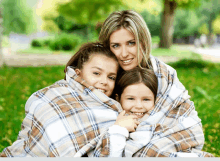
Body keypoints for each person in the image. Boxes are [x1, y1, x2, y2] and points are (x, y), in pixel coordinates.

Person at [99, 10, 214, 157]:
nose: (124, 53)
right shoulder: (99, 78)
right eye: (116, 45)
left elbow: (185, 119)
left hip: (162, 142)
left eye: (131, 43)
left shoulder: (164, 75)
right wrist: (117, 129)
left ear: (144, 41)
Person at [0, 42, 124, 157]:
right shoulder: (57, 94)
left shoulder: (113, 111)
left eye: (111, 77)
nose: (104, 81)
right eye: (96, 73)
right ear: (78, 73)